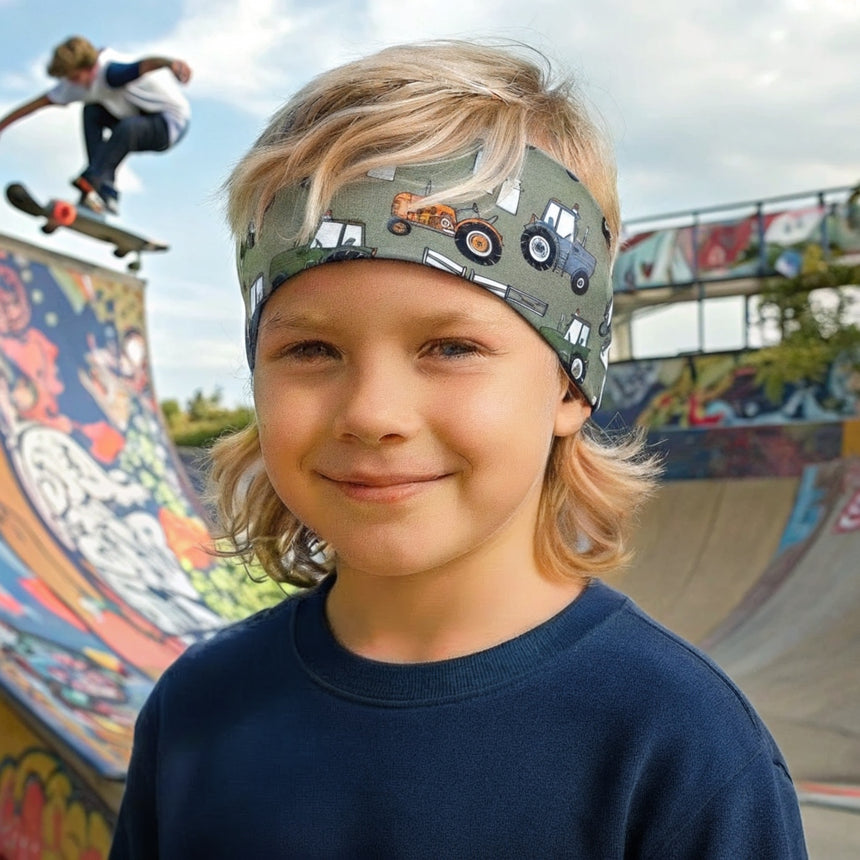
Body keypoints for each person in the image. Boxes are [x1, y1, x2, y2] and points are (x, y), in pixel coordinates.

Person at [109, 41, 807, 858]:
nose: (372, 414)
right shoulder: (197, 710)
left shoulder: (680, 750)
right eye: (311, 350)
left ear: (570, 385)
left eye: (450, 347)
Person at [0, 35, 191, 215]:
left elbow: (146, 64)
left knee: (128, 127)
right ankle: (103, 191)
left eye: (75, 77)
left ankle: (94, 180)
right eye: (69, 79)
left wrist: (170, 64)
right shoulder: (72, 85)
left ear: (89, 68)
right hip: (134, 118)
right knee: (91, 110)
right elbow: (34, 105)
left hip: (170, 125)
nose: (74, 84)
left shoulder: (111, 72)